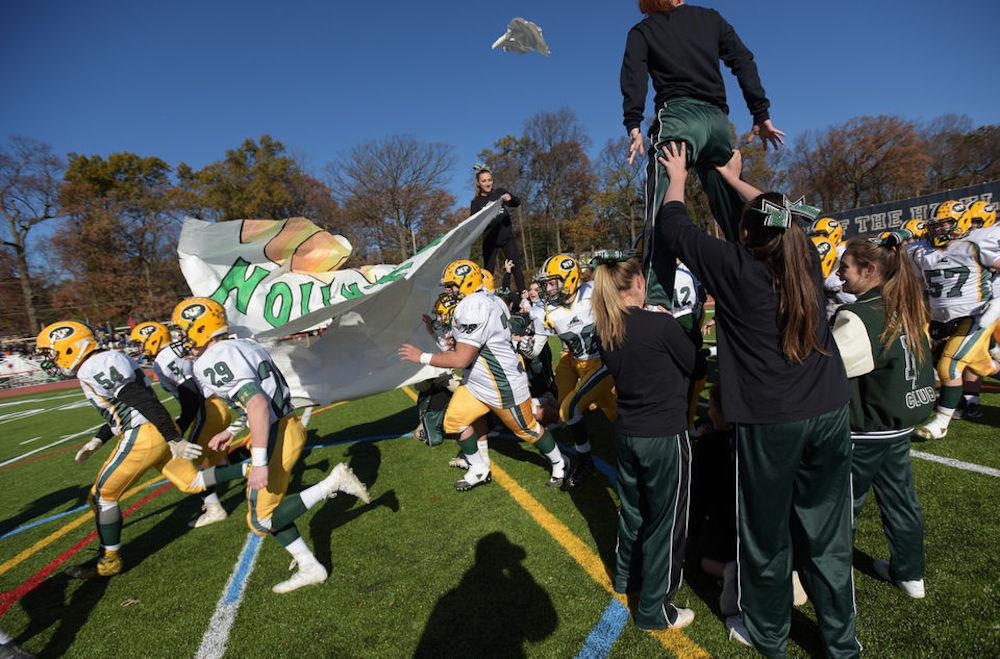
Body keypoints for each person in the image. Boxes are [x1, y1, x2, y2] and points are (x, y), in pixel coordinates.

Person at [656, 142, 860, 656]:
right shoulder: (804, 255)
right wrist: (734, 178)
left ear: (745, 233)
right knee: (828, 536)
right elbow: (783, 215)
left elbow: (674, 226)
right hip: (829, 410)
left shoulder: (736, 266)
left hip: (770, 422)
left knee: (765, 537)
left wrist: (677, 176)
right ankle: (842, 643)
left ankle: (769, 635)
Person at [172, 297, 371, 593]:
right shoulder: (242, 344)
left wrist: (260, 463)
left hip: (277, 433)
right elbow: (259, 398)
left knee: (262, 520)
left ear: (200, 328)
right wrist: (232, 429)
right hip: (284, 425)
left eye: (183, 330)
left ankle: (333, 483)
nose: (180, 337)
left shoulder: (214, 359)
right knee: (265, 514)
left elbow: (257, 403)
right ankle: (309, 566)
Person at [35, 321, 248, 579]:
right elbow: (123, 408)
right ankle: (251, 467)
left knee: (101, 497)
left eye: (52, 353)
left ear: (69, 348)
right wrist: (98, 439)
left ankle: (109, 560)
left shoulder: (94, 366)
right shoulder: (104, 359)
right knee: (192, 481)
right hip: (156, 429)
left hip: (144, 434)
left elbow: (140, 400)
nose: (51, 360)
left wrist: (174, 438)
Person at [621, 0, 784, 308]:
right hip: (718, 123)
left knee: (662, 207)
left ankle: (657, 301)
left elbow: (634, 74)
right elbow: (743, 60)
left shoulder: (643, 31)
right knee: (734, 208)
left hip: (679, 118)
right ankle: (764, 279)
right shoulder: (710, 18)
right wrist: (760, 112)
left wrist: (633, 124)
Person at [590, 250, 696, 630]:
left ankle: (627, 577)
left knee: (633, 511)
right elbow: (695, 363)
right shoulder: (658, 325)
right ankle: (655, 609)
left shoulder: (605, 330)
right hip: (663, 434)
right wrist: (668, 322)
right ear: (638, 282)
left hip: (628, 434)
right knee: (666, 520)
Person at [398, 260, 569, 491]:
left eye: (452, 285)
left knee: (527, 429)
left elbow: (461, 359)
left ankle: (560, 462)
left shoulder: (474, 306)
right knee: (454, 421)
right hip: (476, 382)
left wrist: (421, 357)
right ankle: (478, 469)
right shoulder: (488, 298)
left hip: (501, 382)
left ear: (467, 282)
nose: (449, 291)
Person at [832, 234, 936, 599]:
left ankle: (831, 581)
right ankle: (910, 574)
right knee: (902, 503)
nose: (839, 274)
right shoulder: (907, 304)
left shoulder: (860, 315)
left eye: (844, 267)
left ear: (869, 269)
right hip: (898, 427)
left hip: (863, 432)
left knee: (840, 509)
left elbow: (829, 372)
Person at [128, 321, 235, 528]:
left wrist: (178, 432)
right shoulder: (170, 354)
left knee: (189, 462)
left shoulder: (166, 357)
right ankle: (252, 480)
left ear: (153, 339)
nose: (140, 348)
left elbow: (191, 395)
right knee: (217, 457)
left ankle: (214, 508)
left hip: (207, 409)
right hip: (215, 405)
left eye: (141, 343)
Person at [910, 201, 1000, 439]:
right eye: (935, 225)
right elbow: (917, 282)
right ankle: (958, 402)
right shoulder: (922, 252)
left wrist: (997, 303)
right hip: (941, 321)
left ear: (961, 222)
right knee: (982, 365)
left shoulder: (974, 244)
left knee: (949, 366)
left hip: (975, 315)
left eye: (945, 224)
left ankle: (941, 423)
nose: (939, 230)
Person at [535, 254, 617, 487]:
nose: (548, 289)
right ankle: (586, 458)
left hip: (600, 362)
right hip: (572, 360)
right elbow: (534, 350)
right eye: (546, 284)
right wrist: (518, 338)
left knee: (613, 413)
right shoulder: (546, 310)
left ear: (569, 279)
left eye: (552, 283)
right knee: (567, 408)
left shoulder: (594, 292)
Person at [470, 166, 526, 292]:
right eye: (484, 181)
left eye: (489, 180)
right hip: (490, 241)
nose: (487, 183)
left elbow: (517, 202)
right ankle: (487, 297)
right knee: (487, 273)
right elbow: (475, 225)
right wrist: (490, 218)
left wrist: (510, 198)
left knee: (516, 268)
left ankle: (524, 295)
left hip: (507, 238)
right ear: (479, 183)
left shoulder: (499, 192)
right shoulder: (476, 203)